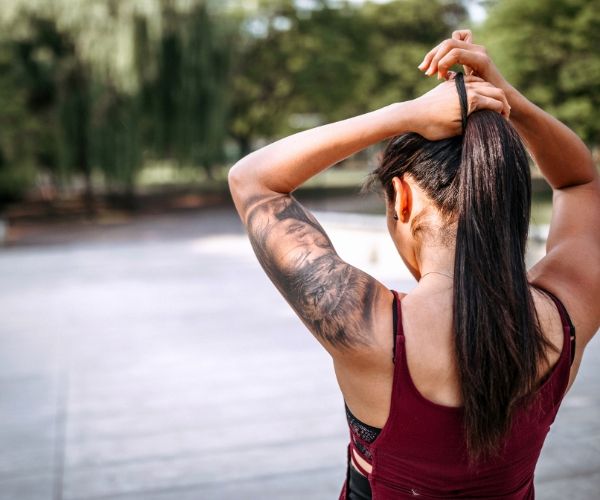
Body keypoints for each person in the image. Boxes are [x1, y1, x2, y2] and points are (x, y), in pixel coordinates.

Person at [227, 29, 600, 499]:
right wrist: (508, 100)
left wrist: (404, 114)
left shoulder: (370, 329)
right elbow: (579, 181)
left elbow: (252, 181)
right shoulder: (567, 313)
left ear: (402, 198)